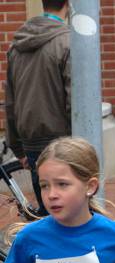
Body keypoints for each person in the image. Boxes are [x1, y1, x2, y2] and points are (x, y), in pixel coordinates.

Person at [5, 0, 71, 215]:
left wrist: (18, 147)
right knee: (72, 214)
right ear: (69, 4)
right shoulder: (68, 42)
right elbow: (74, 101)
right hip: (65, 143)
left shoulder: (16, 46)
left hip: (31, 143)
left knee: (47, 212)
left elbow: (11, 101)